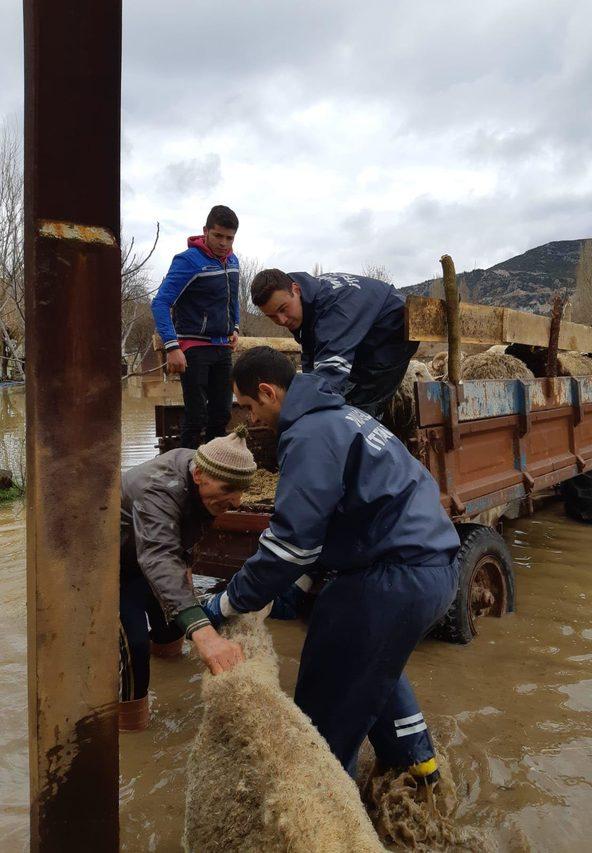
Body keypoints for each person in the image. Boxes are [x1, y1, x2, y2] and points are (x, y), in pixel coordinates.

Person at [203, 346, 460, 783]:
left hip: (388, 579)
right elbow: (338, 519)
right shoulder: (344, 416)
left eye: (248, 407)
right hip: (432, 569)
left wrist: (228, 603)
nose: (250, 420)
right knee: (375, 670)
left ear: (267, 392)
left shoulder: (307, 435)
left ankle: (326, 815)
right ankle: (420, 784)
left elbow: (290, 545)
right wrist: (298, 585)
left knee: (319, 721)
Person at [119, 426, 256, 731]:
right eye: (227, 492)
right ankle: (131, 729)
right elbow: (159, 556)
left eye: (240, 492)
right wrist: (205, 636)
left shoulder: (205, 472)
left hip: (152, 558)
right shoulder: (156, 487)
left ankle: (166, 672)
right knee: (135, 647)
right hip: (110, 567)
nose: (236, 502)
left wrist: (188, 588)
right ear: (198, 477)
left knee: (171, 632)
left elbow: (183, 538)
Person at [250, 268, 419, 418]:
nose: (282, 320)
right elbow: (311, 356)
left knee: (360, 405)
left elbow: (330, 373)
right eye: (272, 316)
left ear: (296, 289)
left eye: (283, 309)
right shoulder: (307, 301)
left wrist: (299, 414)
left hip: (393, 327)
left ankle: (367, 437)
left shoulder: (333, 309)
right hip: (366, 328)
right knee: (334, 395)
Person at [151, 205, 241, 448]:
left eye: (229, 238)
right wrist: (172, 346)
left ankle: (213, 473)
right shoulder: (188, 261)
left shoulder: (232, 260)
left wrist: (235, 327)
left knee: (221, 414)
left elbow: (233, 298)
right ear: (205, 231)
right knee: (196, 416)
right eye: (218, 236)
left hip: (222, 348)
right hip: (194, 348)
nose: (224, 243)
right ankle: (187, 475)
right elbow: (160, 302)